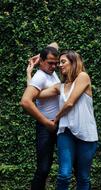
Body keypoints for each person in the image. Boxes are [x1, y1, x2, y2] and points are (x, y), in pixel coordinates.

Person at [28, 50, 98, 190]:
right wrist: (29, 73)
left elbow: (70, 103)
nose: (59, 65)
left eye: (63, 62)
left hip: (86, 134)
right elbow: (35, 94)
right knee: (64, 175)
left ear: (73, 62)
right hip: (65, 133)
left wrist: (56, 118)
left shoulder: (83, 77)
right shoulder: (60, 86)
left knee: (83, 177)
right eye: (59, 62)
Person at [20, 44, 60, 190]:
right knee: (43, 168)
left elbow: (54, 44)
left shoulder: (50, 71)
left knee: (70, 165)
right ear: (42, 62)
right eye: (50, 63)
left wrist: (39, 56)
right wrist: (45, 122)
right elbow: (25, 102)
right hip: (46, 126)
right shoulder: (40, 76)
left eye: (56, 63)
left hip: (60, 124)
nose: (54, 66)